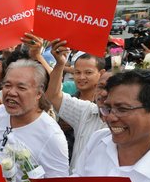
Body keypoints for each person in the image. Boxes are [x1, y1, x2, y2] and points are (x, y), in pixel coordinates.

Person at [45, 39, 110, 170]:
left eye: (88, 73)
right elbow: (53, 95)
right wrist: (60, 64)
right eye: (77, 72)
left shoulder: (129, 123)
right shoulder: (86, 110)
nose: (81, 77)